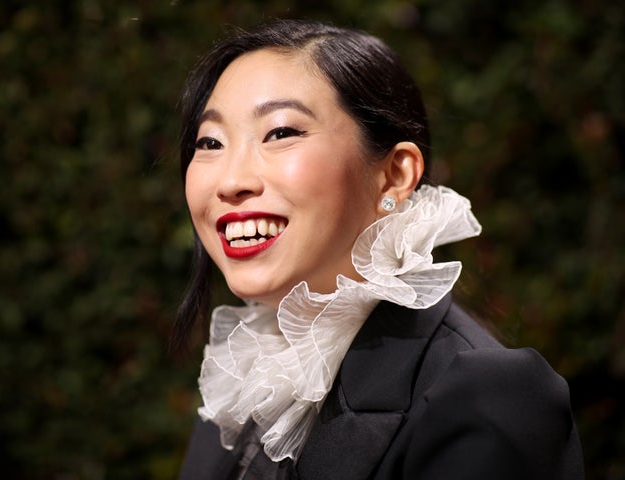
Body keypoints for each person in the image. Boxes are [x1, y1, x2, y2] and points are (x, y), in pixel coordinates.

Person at [174, 19, 584, 480]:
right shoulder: (241, 387)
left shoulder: (488, 397)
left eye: (281, 132)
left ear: (394, 175)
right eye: (210, 142)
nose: (230, 181)